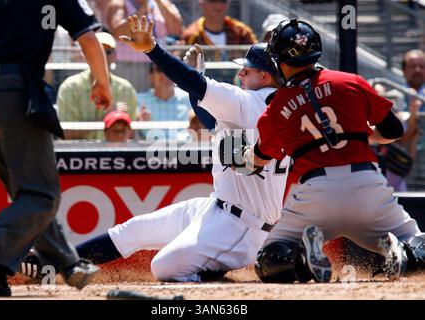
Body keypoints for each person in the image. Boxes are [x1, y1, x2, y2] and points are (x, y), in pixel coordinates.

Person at [20, 15, 290, 283]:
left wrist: (154, 50)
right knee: (133, 231)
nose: (240, 73)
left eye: (248, 69)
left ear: (265, 76)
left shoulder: (246, 101)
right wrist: (197, 83)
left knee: (164, 267)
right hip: (219, 208)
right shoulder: (267, 106)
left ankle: (221, 273)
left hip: (242, 227)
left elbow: (193, 84)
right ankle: (51, 266)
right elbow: (210, 120)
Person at [237, 19, 425, 284]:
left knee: (272, 258)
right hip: (368, 186)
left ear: (278, 59)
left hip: (316, 194)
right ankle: (400, 253)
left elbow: (259, 158)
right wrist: (356, 136)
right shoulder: (350, 81)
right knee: (419, 245)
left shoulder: (277, 106)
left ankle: (303, 259)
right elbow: (394, 130)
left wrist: (242, 157)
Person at [0, 0, 112, 297]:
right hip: (12, 92)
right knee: (42, 194)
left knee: (28, 192)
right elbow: (88, 37)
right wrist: (102, 82)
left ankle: (67, 263)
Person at [57, 31, 137, 140]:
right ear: (85, 55)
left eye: (107, 52)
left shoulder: (126, 89)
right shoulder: (70, 87)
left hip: (115, 153)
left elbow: (131, 134)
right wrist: (106, 118)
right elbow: (65, 134)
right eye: (98, 51)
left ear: (115, 56)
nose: (102, 56)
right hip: (77, 154)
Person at [107, 0, 183, 91]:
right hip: (130, 69)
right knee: (132, 103)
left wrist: (159, 2)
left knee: (156, 104)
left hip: (158, 68)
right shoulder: (119, 3)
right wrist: (143, 8)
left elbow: (177, 30)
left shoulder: (162, 3)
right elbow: (118, 32)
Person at [182, 0, 257, 61]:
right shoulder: (191, 35)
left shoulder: (242, 32)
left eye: (222, 1)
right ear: (201, 3)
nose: (218, 5)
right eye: (213, 1)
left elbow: (257, 58)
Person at [135, 62, 191, 140]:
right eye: (159, 69)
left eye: (170, 69)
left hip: (186, 150)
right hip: (150, 150)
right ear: (151, 76)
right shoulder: (139, 101)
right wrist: (144, 124)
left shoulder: (189, 99)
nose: (165, 73)